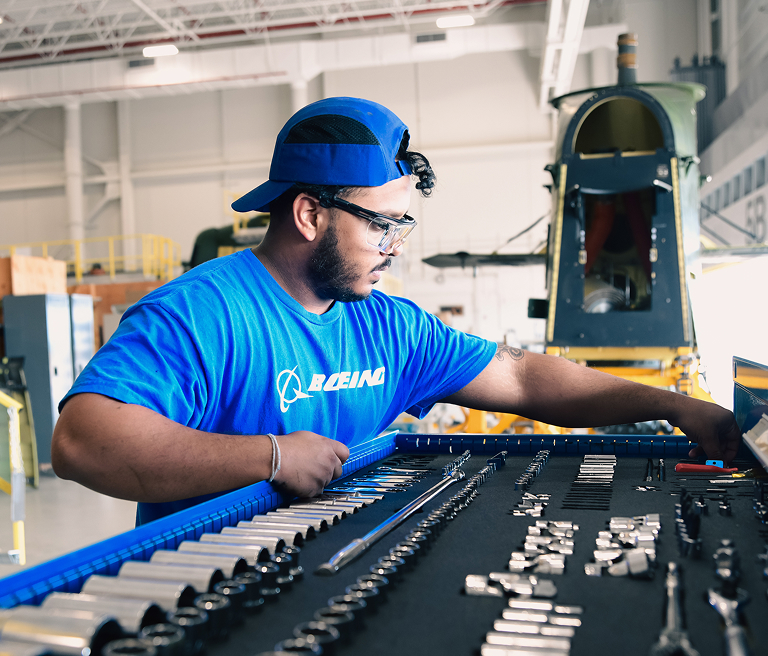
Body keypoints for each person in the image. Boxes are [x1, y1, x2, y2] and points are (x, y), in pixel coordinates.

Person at [51, 96, 741, 525]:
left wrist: (676, 404)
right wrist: (266, 457)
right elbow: (82, 442)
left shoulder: (386, 326)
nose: (395, 248)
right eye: (382, 224)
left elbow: (525, 380)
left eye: (401, 226)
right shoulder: (200, 316)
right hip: (199, 596)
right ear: (308, 212)